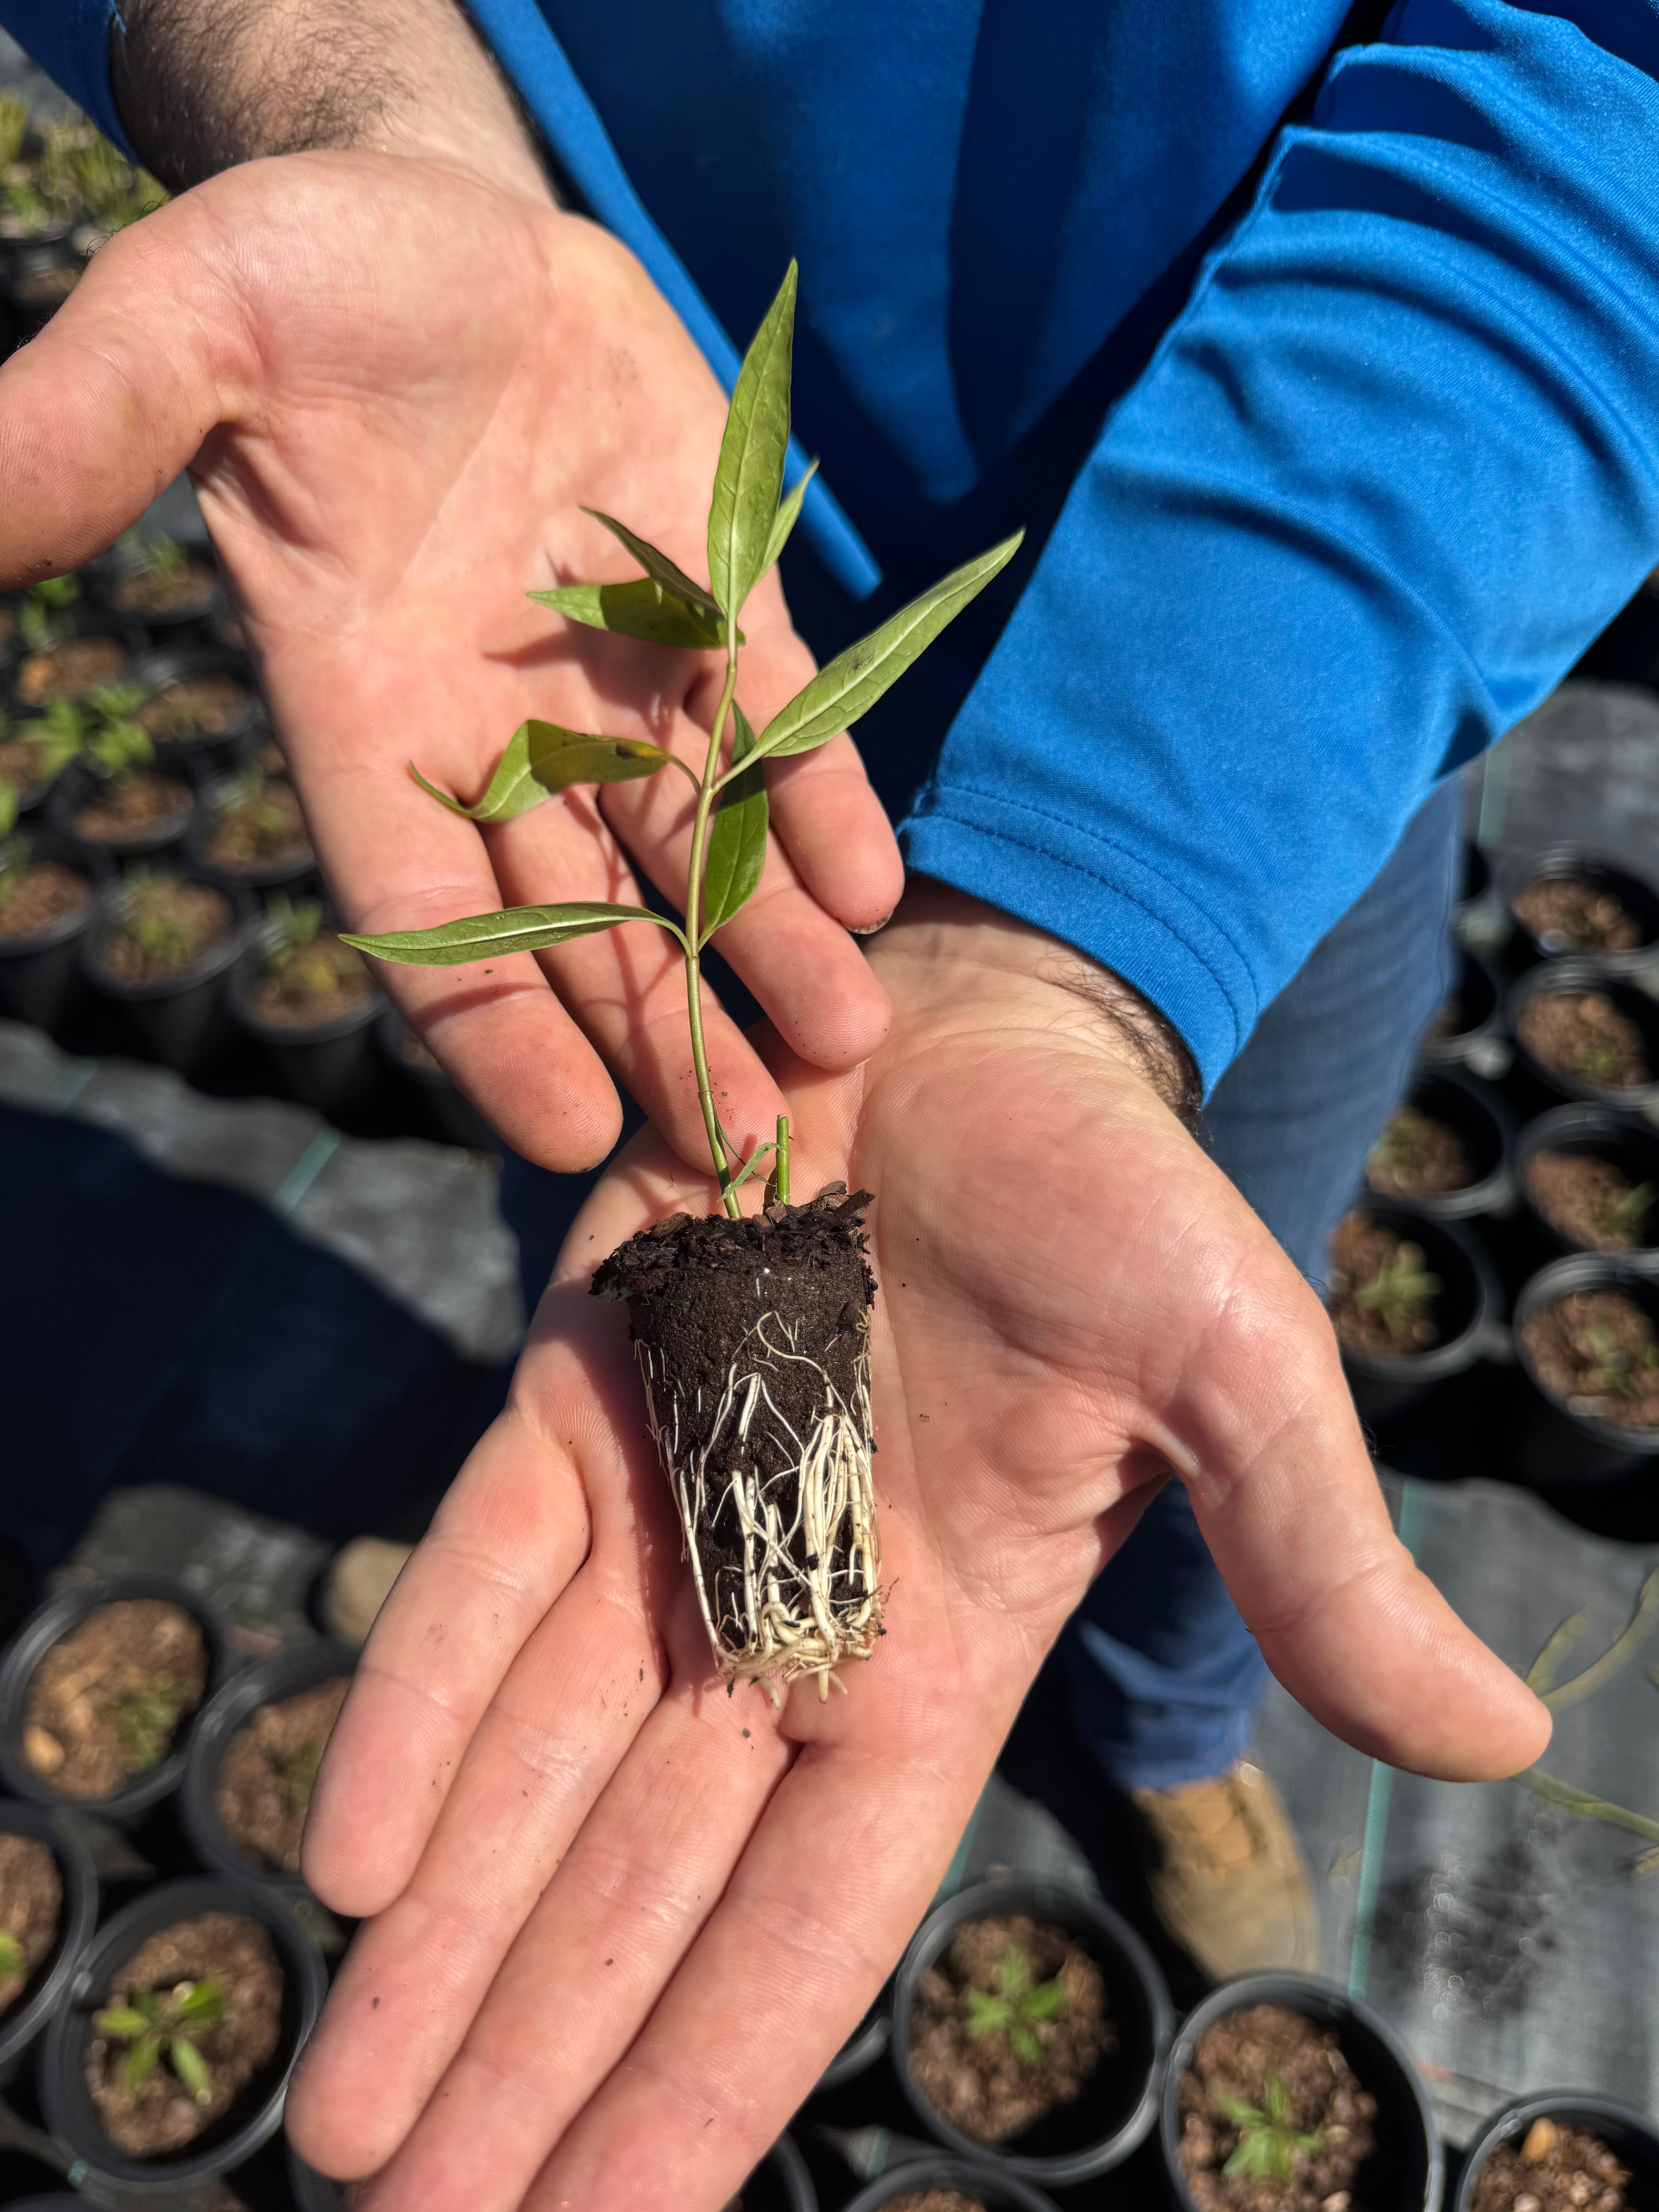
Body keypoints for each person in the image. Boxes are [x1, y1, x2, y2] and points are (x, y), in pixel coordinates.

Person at [7, 0, 1650, 2200]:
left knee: (1173, 1356)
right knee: (618, 1194)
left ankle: (1174, 1735)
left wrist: (1114, 900)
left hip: (1262, 747)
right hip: (616, 707)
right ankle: (653, 1543)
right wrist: (356, 100)